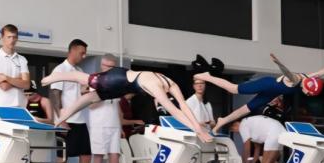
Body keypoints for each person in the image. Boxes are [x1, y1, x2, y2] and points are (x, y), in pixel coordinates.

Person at [196, 42, 324, 133]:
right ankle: (208, 76)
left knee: (246, 109)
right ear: (307, 86)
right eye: (308, 92)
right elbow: (287, 72)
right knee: (233, 89)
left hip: (272, 93)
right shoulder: (296, 81)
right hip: (267, 84)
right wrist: (278, 62)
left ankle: (221, 122)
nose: (307, 94)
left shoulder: (311, 78)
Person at [40, 65, 213, 143]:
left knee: (93, 98)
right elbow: (173, 109)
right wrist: (197, 129)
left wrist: (196, 126)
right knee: (87, 80)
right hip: (118, 79)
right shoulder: (157, 86)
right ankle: (55, 77)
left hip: (125, 87)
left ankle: (63, 116)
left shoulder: (172, 84)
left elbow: (184, 106)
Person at [50, 39, 91, 163]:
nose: (83, 56)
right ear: (72, 50)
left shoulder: (79, 70)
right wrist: (62, 120)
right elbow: (54, 95)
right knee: (62, 157)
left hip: (80, 120)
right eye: (81, 53)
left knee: (86, 155)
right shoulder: (60, 70)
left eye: (85, 53)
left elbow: (81, 92)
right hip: (66, 120)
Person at [87, 54, 123, 163]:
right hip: (99, 125)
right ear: (101, 65)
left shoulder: (117, 82)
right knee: (98, 156)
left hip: (114, 125)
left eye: (112, 67)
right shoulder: (95, 81)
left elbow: (117, 106)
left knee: (114, 156)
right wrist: (105, 94)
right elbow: (91, 105)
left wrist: (120, 126)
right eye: (107, 66)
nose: (109, 69)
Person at [0, 24, 30, 108]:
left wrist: (6, 78)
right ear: (2, 38)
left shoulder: (22, 59)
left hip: (21, 108)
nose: (12, 40)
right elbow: (4, 86)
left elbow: (27, 85)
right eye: (9, 37)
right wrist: (19, 79)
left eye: (14, 37)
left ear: (17, 39)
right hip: (2, 107)